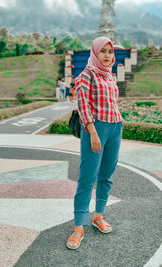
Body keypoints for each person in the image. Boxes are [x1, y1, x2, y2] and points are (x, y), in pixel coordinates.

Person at [66, 36, 123, 250]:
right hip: (95, 129)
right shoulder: (86, 75)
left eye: (110, 52)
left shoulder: (110, 76)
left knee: (106, 176)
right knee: (87, 177)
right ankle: (79, 225)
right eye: (104, 51)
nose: (108, 56)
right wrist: (92, 131)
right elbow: (83, 105)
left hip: (115, 127)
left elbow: (112, 102)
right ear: (95, 52)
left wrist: (119, 122)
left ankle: (99, 216)